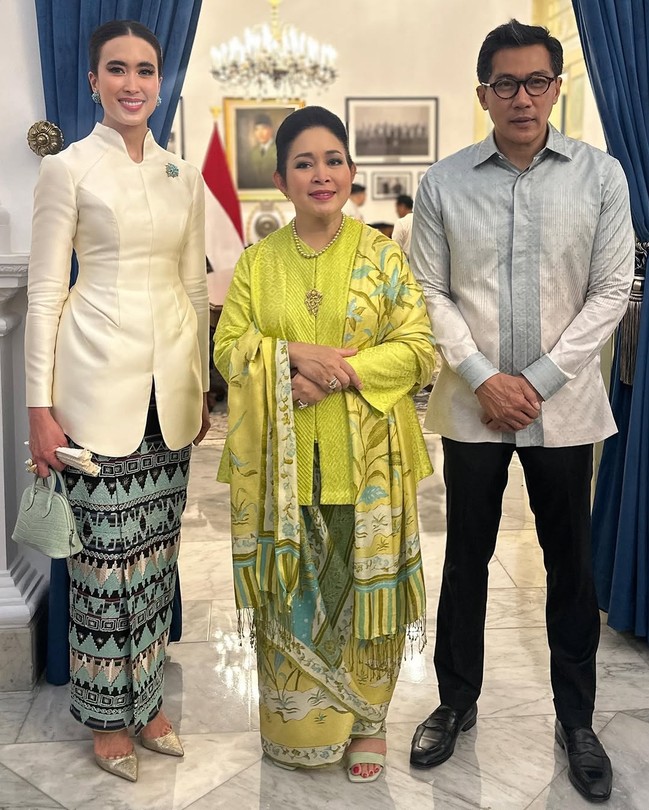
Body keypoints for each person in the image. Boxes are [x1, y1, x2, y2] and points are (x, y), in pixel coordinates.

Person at [409, 19, 634, 804]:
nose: (522, 97)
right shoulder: (444, 183)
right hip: (472, 406)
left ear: (557, 87)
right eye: (505, 83)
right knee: (465, 558)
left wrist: (535, 379)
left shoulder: (602, 176)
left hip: (563, 408)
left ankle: (577, 720)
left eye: (537, 81)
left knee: (569, 563)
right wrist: (482, 377)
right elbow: (428, 290)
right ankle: (454, 701)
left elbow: (611, 290)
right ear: (484, 94)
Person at [214, 105, 435, 781]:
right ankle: (295, 721)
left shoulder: (383, 257)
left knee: (364, 591)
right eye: (304, 163)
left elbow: (419, 349)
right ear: (280, 180)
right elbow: (228, 347)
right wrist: (291, 357)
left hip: (369, 461)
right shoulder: (258, 264)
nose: (321, 174)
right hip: (281, 473)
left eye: (333, 160)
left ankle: (368, 723)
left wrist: (335, 375)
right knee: (295, 598)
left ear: (351, 170)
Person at [25, 19, 211, 782]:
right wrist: (37, 407)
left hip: (172, 394)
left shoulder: (183, 175)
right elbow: (45, 293)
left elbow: (194, 288)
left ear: (160, 82)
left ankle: (149, 703)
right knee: (104, 568)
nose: (133, 83)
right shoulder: (67, 170)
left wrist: (202, 382)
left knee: (157, 560)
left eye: (145, 70)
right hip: (93, 386)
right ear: (94, 81)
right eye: (117, 69)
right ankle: (107, 717)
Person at [239, 112, 277, 189]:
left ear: (271, 130)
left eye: (263, 128)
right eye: (257, 129)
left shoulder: (280, 150)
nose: (260, 133)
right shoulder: (253, 152)